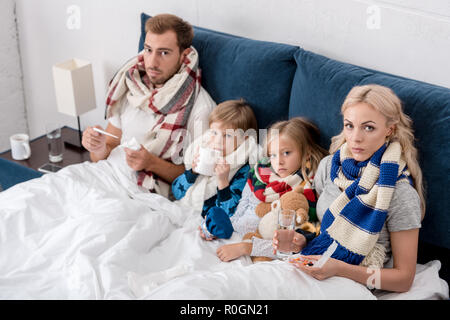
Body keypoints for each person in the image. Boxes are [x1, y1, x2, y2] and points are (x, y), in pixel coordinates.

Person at [275, 84, 424, 293]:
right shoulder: (330, 166)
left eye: (368, 127)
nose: (355, 138)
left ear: (389, 129)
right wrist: (302, 239)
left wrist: (340, 269)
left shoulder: (399, 193)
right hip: (309, 265)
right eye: (349, 125)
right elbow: (323, 225)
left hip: (348, 285)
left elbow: (403, 279)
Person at [81, 14, 216, 197]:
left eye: (164, 53)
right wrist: (98, 148)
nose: (151, 62)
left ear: (184, 56)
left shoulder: (200, 107)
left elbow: (198, 180)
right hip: (105, 176)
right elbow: (109, 147)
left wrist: (151, 163)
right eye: (148, 50)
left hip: (141, 194)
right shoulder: (130, 84)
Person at [216, 117, 328, 262]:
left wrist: (245, 247)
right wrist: (218, 227)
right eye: (273, 155)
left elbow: (292, 245)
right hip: (234, 236)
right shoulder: (258, 176)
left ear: (306, 153)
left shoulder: (303, 192)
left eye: (286, 153)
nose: (278, 161)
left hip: (260, 249)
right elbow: (237, 212)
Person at [172, 99, 259, 239]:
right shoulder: (203, 149)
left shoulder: (244, 168)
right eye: (214, 132)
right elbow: (176, 192)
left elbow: (230, 214)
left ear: (244, 138)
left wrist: (223, 182)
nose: (218, 141)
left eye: (228, 136)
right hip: (186, 212)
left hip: (210, 225)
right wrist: (192, 173)